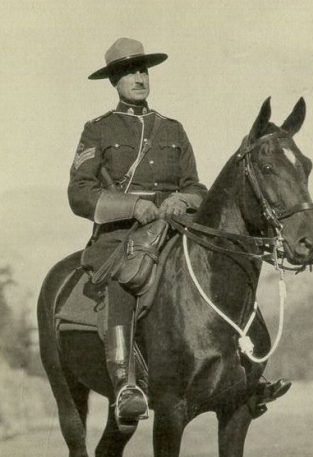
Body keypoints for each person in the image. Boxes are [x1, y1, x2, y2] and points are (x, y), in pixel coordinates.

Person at [68, 37, 290, 429]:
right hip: (121, 237)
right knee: (126, 275)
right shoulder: (98, 131)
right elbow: (80, 193)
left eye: (142, 70)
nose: (138, 77)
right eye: (128, 72)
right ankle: (125, 385)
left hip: (172, 228)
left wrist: (181, 201)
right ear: (114, 81)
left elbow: (196, 187)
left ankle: (249, 373)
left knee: (226, 266)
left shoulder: (172, 129)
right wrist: (133, 206)